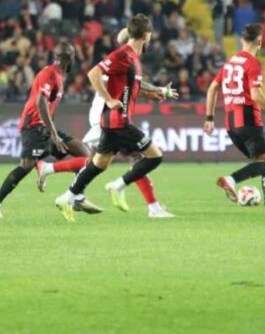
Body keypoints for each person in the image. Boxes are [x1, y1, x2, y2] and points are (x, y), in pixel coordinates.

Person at [35, 28, 177, 219]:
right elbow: (108, 80)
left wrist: (154, 94)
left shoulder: (128, 61)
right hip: (106, 116)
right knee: (133, 158)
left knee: (99, 163)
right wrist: (157, 90)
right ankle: (149, 205)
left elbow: (134, 86)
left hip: (113, 116)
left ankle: (63, 186)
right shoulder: (118, 59)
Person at [0, 44, 98, 219]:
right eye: (74, 57)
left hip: (45, 126)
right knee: (26, 166)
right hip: (34, 126)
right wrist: (53, 132)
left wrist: (51, 130)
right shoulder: (50, 74)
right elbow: (40, 102)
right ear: (68, 58)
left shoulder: (59, 75)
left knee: (84, 153)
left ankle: (77, 196)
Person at [204, 23, 265, 218]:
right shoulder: (253, 63)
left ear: (241, 40)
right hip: (248, 120)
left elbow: (212, 89)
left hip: (231, 125)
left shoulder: (229, 62)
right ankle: (232, 179)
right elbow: (256, 95)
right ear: (260, 42)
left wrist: (210, 118)